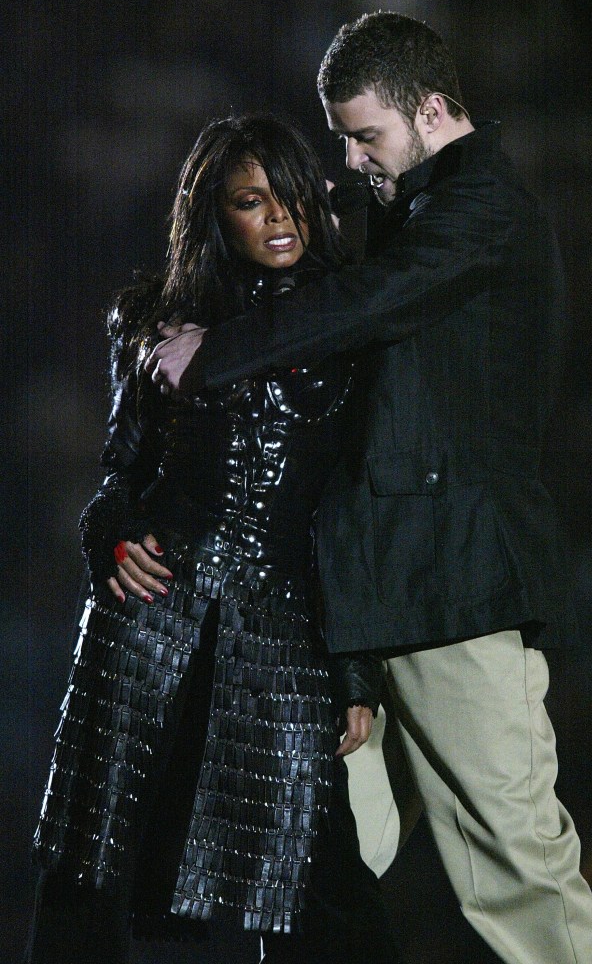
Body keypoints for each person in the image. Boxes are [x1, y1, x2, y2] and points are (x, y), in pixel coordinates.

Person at [146, 13, 592, 964]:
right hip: (369, 598)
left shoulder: (483, 208)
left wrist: (215, 355)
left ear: (433, 110)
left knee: (511, 860)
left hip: (454, 592)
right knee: (327, 857)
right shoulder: (410, 213)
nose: (353, 159)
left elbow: (373, 300)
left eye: (367, 136)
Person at [27, 113, 399, 964]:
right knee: (89, 861)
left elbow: (343, 512)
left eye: (292, 199)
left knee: (318, 878)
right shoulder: (152, 318)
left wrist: (351, 669)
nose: (277, 219)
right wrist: (112, 538)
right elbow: (118, 472)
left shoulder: (347, 330)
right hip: (150, 617)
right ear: (212, 214)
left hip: (279, 633)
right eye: (249, 201)